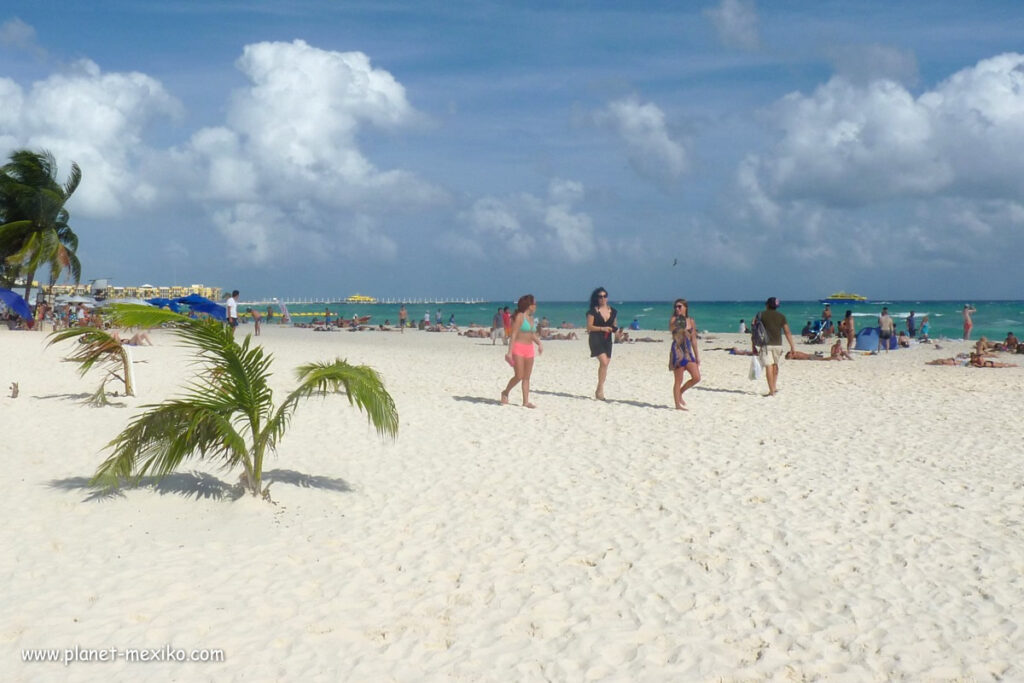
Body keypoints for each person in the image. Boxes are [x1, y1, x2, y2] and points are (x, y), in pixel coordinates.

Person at [501, 294, 543, 408]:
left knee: (527, 377)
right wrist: (509, 352)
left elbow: (531, 334)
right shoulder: (519, 316)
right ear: (529, 305)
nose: (536, 306)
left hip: (529, 349)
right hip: (518, 348)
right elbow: (513, 335)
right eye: (535, 304)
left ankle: (525, 401)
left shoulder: (531, 318)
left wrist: (539, 343)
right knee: (519, 375)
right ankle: (505, 392)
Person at [753, 297, 796, 396]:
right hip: (778, 345)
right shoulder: (781, 316)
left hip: (766, 344)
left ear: (767, 305)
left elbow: (754, 330)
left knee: (769, 366)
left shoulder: (760, 315)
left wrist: (753, 345)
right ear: (776, 306)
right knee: (775, 365)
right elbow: (787, 332)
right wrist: (792, 346)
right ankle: (774, 387)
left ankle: (771, 391)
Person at [586, 287, 617, 401]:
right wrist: (602, 328)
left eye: (604, 296)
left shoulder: (613, 311)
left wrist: (615, 331)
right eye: (600, 296)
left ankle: (599, 387)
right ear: (597, 298)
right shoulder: (592, 311)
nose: (603, 298)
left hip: (607, 339)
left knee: (605, 364)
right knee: (603, 362)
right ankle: (600, 389)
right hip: (595, 338)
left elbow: (614, 325)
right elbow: (589, 327)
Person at [668, 299, 700, 410]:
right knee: (678, 379)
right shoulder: (673, 320)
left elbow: (694, 339)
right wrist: (678, 324)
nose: (677, 309)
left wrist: (697, 356)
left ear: (685, 307)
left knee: (696, 377)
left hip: (688, 351)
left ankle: (680, 392)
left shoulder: (691, 321)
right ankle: (677, 405)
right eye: (675, 307)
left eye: (679, 306)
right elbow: (671, 328)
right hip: (678, 351)